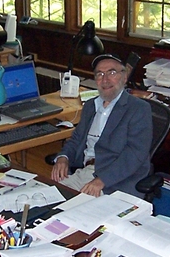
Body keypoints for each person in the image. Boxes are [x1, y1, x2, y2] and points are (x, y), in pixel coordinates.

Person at [50, 54, 152, 197]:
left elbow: (134, 154)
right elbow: (76, 139)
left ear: (124, 77)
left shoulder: (138, 108)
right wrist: (63, 157)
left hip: (116, 181)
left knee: (76, 209)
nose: (105, 79)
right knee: (48, 199)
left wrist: (102, 180)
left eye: (112, 73)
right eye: (100, 74)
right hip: (85, 173)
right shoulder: (90, 106)